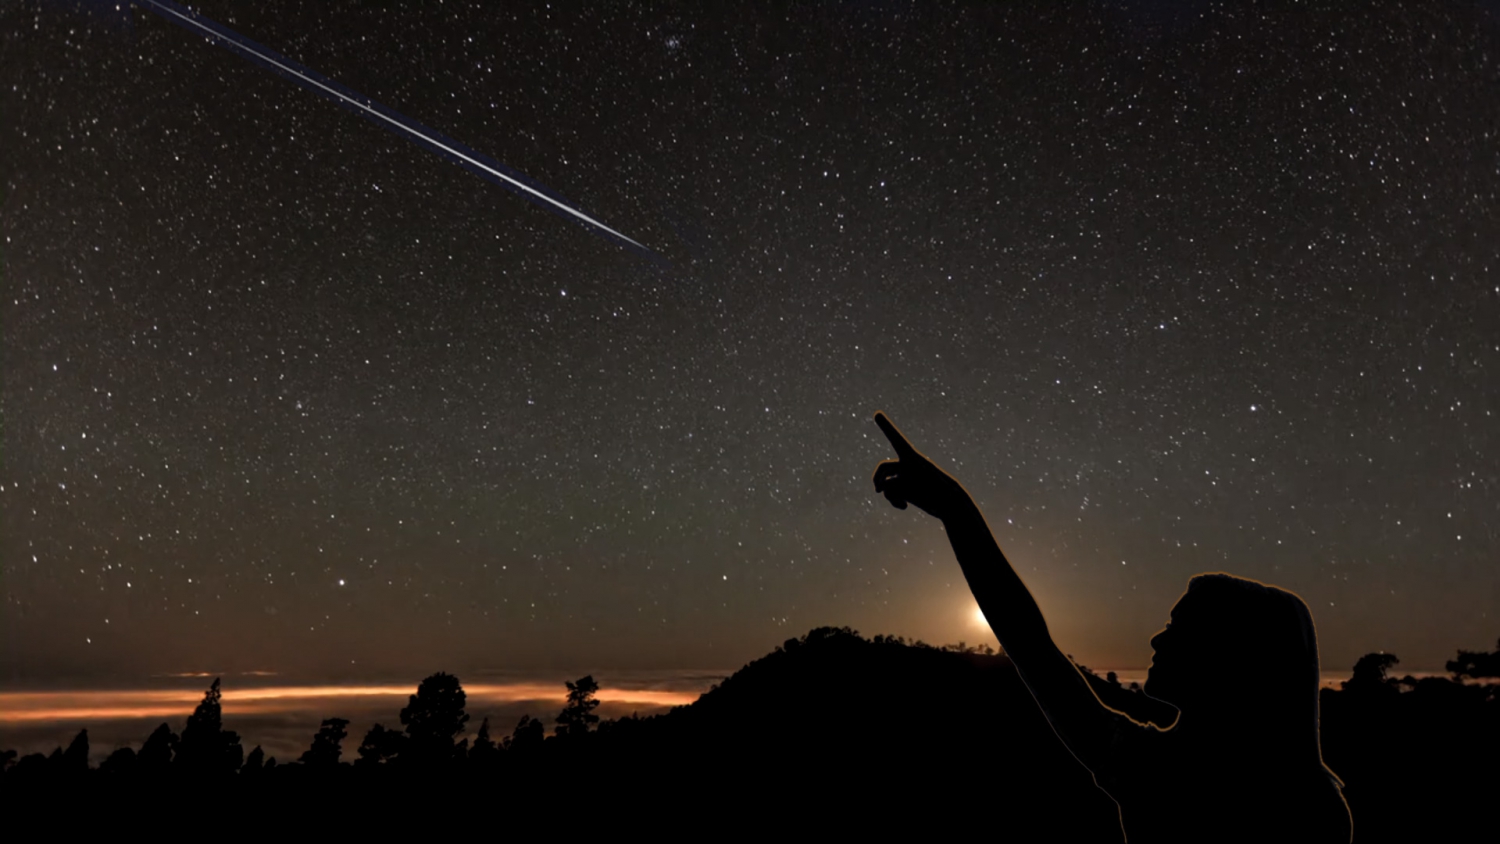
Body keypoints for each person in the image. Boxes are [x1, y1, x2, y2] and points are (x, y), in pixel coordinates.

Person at [870, 411, 1351, 843]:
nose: (1158, 639)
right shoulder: (1301, 800)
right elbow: (1032, 647)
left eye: (1183, 630)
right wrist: (954, 509)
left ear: (1235, 658)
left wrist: (956, 509)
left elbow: (1032, 647)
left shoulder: (1163, 777)